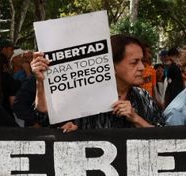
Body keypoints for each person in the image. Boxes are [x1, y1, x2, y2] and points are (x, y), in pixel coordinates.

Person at [32, 34, 164, 130]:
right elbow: (45, 117)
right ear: (112, 66)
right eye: (134, 62)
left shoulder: (143, 97)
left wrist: (136, 118)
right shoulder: (83, 97)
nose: (142, 67)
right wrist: (40, 82)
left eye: (142, 61)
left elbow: (164, 138)